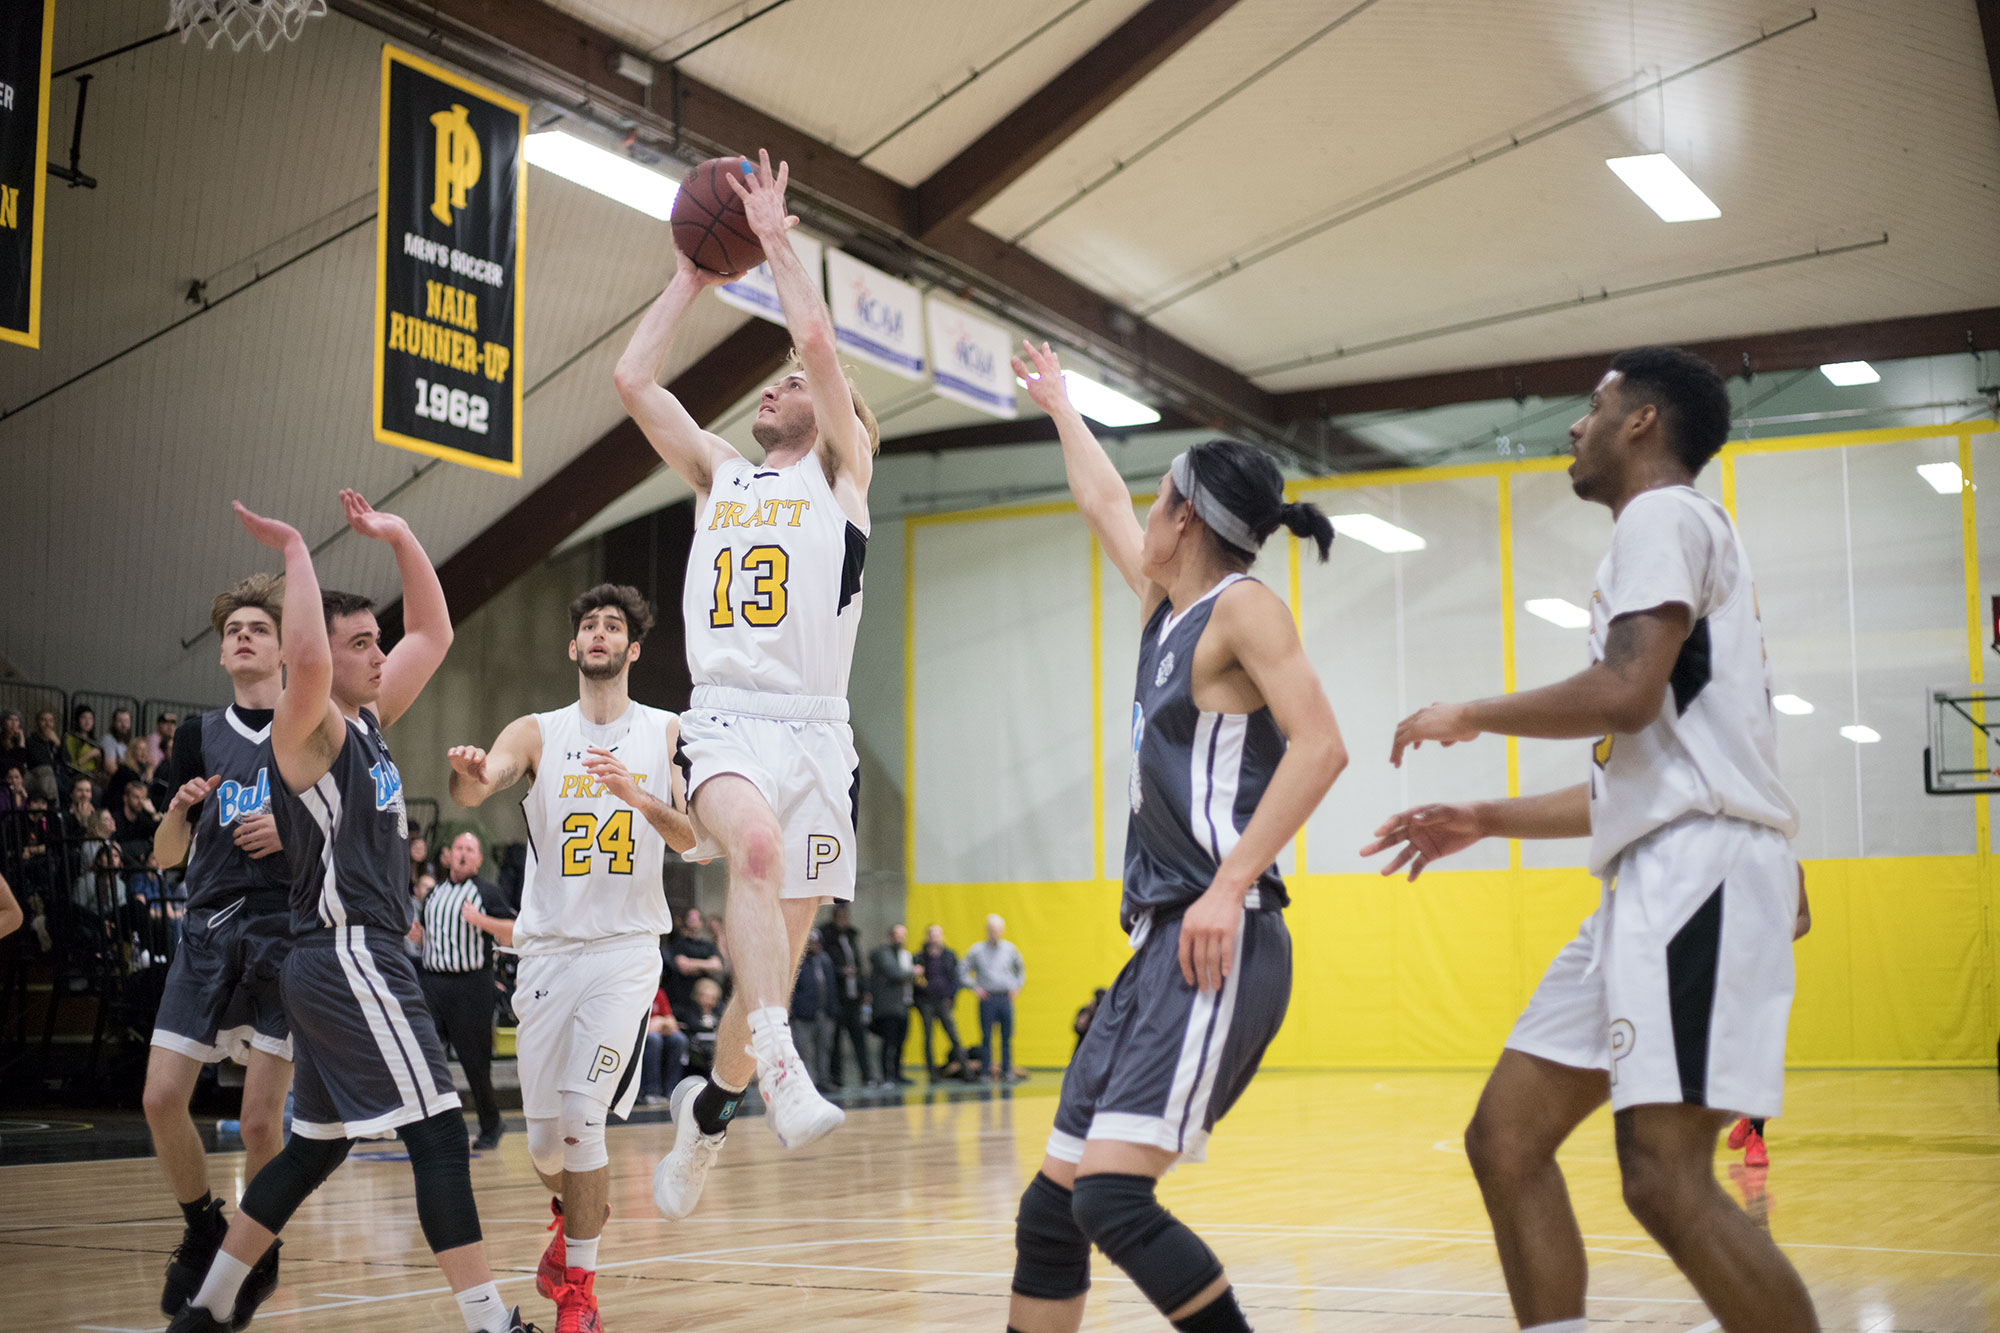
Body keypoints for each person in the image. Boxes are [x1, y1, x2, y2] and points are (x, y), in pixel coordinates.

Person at [1362, 348, 1818, 1333]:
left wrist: (1469, 712)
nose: (1576, 426)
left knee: (1662, 1175)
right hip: (1653, 872)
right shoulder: (1666, 540)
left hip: (1695, 873)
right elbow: (1639, 769)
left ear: (1642, 421)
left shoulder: (1661, 515)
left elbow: (1623, 691)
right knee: (1505, 1137)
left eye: (1594, 406)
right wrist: (1483, 818)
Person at [1004, 342, 1347, 1333]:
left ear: (1186, 515)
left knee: (1108, 1198)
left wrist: (1229, 883)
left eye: (1158, 498)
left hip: (1217, 939)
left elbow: (1321, 747)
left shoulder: (1241, 609)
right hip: (1158, 942)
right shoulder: (1165, 609)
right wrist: (1063, 408)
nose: (1140, 512)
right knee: (1051, 1212)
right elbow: (1101, 503)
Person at [165, 492, 530, 1333]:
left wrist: (401, 533)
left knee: (313, 1145)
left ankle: (209, 1308)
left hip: (337, 961)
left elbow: (434, 635)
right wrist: (297, 549)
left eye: (375, 640)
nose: (379, 653)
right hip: (349, 953)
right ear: (321, 662)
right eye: (360, 643)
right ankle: (491, 1324)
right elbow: (305, 656)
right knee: (438, 1134)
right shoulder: (308, 727)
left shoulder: (368, 720)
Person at [616, 148, 878, 1215]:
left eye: (796, 385)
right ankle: (777, 1065)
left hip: (819, 733)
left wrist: (775, 240)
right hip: (724, 712)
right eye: (768, 384)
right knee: (755, 854)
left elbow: (814, 341)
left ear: (837, 415)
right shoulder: (718, 473)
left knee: (778, 939)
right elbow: (633, 381)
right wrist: (692, 270)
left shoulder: (840, 474)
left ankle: (710, 1116)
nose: (776, 384)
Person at [446, 582, 695, 1333]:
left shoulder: (667, 732)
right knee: (548, 1145)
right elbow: (474, 787)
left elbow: (696, 841)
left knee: (587, 1117)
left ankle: (580, 1294)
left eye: (612, 625)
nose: (597, 633)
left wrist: (640, 800)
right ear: (572, 646)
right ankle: (575, 1215)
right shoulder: (537, 730)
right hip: (547, 953)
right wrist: (465, 769)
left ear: (633, 648)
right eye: (587, 623)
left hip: (624, 953)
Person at [144, 573, 298, 1321]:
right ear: (221, 654)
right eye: (232, 628)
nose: (242, 635)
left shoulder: (313, 726)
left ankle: (258, 1245)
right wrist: (176, 813)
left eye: (257, 628)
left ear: (283, 649)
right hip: (207, 928)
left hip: (285, 933)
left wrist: (291, 836)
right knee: (160, 1096)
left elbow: (354, 841)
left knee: (264, 1124)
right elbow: (164, 856)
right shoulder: (196, 734)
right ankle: (204, 1225)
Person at [410, 832, 516, 1151]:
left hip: (471, 986)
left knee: (475, 1063)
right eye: (458, 848)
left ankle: (491, 1124)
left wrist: (479, 919)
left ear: (479, 859)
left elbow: (512, 932)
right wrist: (420, 937)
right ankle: (427, 1125)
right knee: (423, 1056)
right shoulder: (435, 893)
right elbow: (435, 936)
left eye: (470, 849)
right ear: (447, 854)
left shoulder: (487, 892)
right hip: (432, 983)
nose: (463, 854)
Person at [964, 914, 1026, 1082]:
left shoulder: (1009, 949)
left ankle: (1007, 1071)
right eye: (991, 929)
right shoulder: (977, 950)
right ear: (987, 930)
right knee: (986, 1037)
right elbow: (962, 970)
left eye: (997, 929)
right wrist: (974, 987)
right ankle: (985, 1072)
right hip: (987, 998)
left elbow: (1020, 969)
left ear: (1002, 930)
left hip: (1004, 997)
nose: (994, 933)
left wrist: (1017, 986)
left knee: (1007, 1036)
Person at [820, 903, 869, 1086]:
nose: (842, 919)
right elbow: (826, 966)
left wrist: (864, 989)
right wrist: (841, 971)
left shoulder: (851, 936)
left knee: (859, 1038)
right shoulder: (827, 936)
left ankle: (867, 1075)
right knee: (836, 1041)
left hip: (853, 996)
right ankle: (836, 1077)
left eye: (844, 916)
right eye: (839, 916)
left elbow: (859, 964)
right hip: (837, 997)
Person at [791, 927, 840, 1090]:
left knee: (824, 1049)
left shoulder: (825, 960)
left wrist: (833, 1009)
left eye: (816, 943)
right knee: (804, 1051)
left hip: (825, 1013)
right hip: (804, 1015)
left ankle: (824, 1081)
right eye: (810, 943)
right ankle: (806, 1084)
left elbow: (832, 985)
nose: (814, 946)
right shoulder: (797, 961)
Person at [913, 924, 965, 1078]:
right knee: (928, 1037)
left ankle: (966, 1069)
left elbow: (955, 979)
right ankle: (931, 1072)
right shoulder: (919, 957)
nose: (935, 938)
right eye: (932, 935)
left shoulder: (949, 955)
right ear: (927, 937)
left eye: (938, 935)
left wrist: (951, 997)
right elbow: (915, 980)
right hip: (926, 1001)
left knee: (954, 1036)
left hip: (943, 1001)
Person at [868, 923, 916, 1086]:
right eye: (897, 936)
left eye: (903, 936)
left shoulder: (904, 955)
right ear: (890, 936)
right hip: (888, 1007)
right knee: (888, 1042)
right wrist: (913, 972)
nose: (900, 939)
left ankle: (897, 1073)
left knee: (901, 1042)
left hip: (903, 1005)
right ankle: (886, 1076)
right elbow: (894, 973)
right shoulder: (883, 953)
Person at [663, 905, 724, 1016]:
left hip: (705, 996)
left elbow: (717, 965)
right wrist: (705, 966)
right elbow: (682, 966)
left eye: (697, 918)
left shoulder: (706, 945)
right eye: (691, 918)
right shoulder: (678, 944)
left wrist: (692, 963)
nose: (694, 921)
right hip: (683, 996)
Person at [639, 984, 689, 1107]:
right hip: (637, 1034)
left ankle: (672, 1090)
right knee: (654, 1040)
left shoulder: (659, 992)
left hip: (659, 1031)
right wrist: (655, 1024)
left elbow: (672, 1023)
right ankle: (651, 1092)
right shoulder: (636, 991)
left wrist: (661, 1022)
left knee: (679, 1039)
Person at [65, 703, 105, 780]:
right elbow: (73, 765)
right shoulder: (70, 738)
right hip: (78, 775)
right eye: (83, 718)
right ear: (77, 719)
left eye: (90, 718)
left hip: (93, 775)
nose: (87, 722)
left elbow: (99, 768)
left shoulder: (94, 741)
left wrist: (98, 757)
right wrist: (89, 755)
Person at [102, 707, 137, 772]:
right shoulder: (108, 739)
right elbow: (110, 768)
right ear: (113, 723)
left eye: (126, 721)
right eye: (120, 721)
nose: (124, 725)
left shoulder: (129, 741)